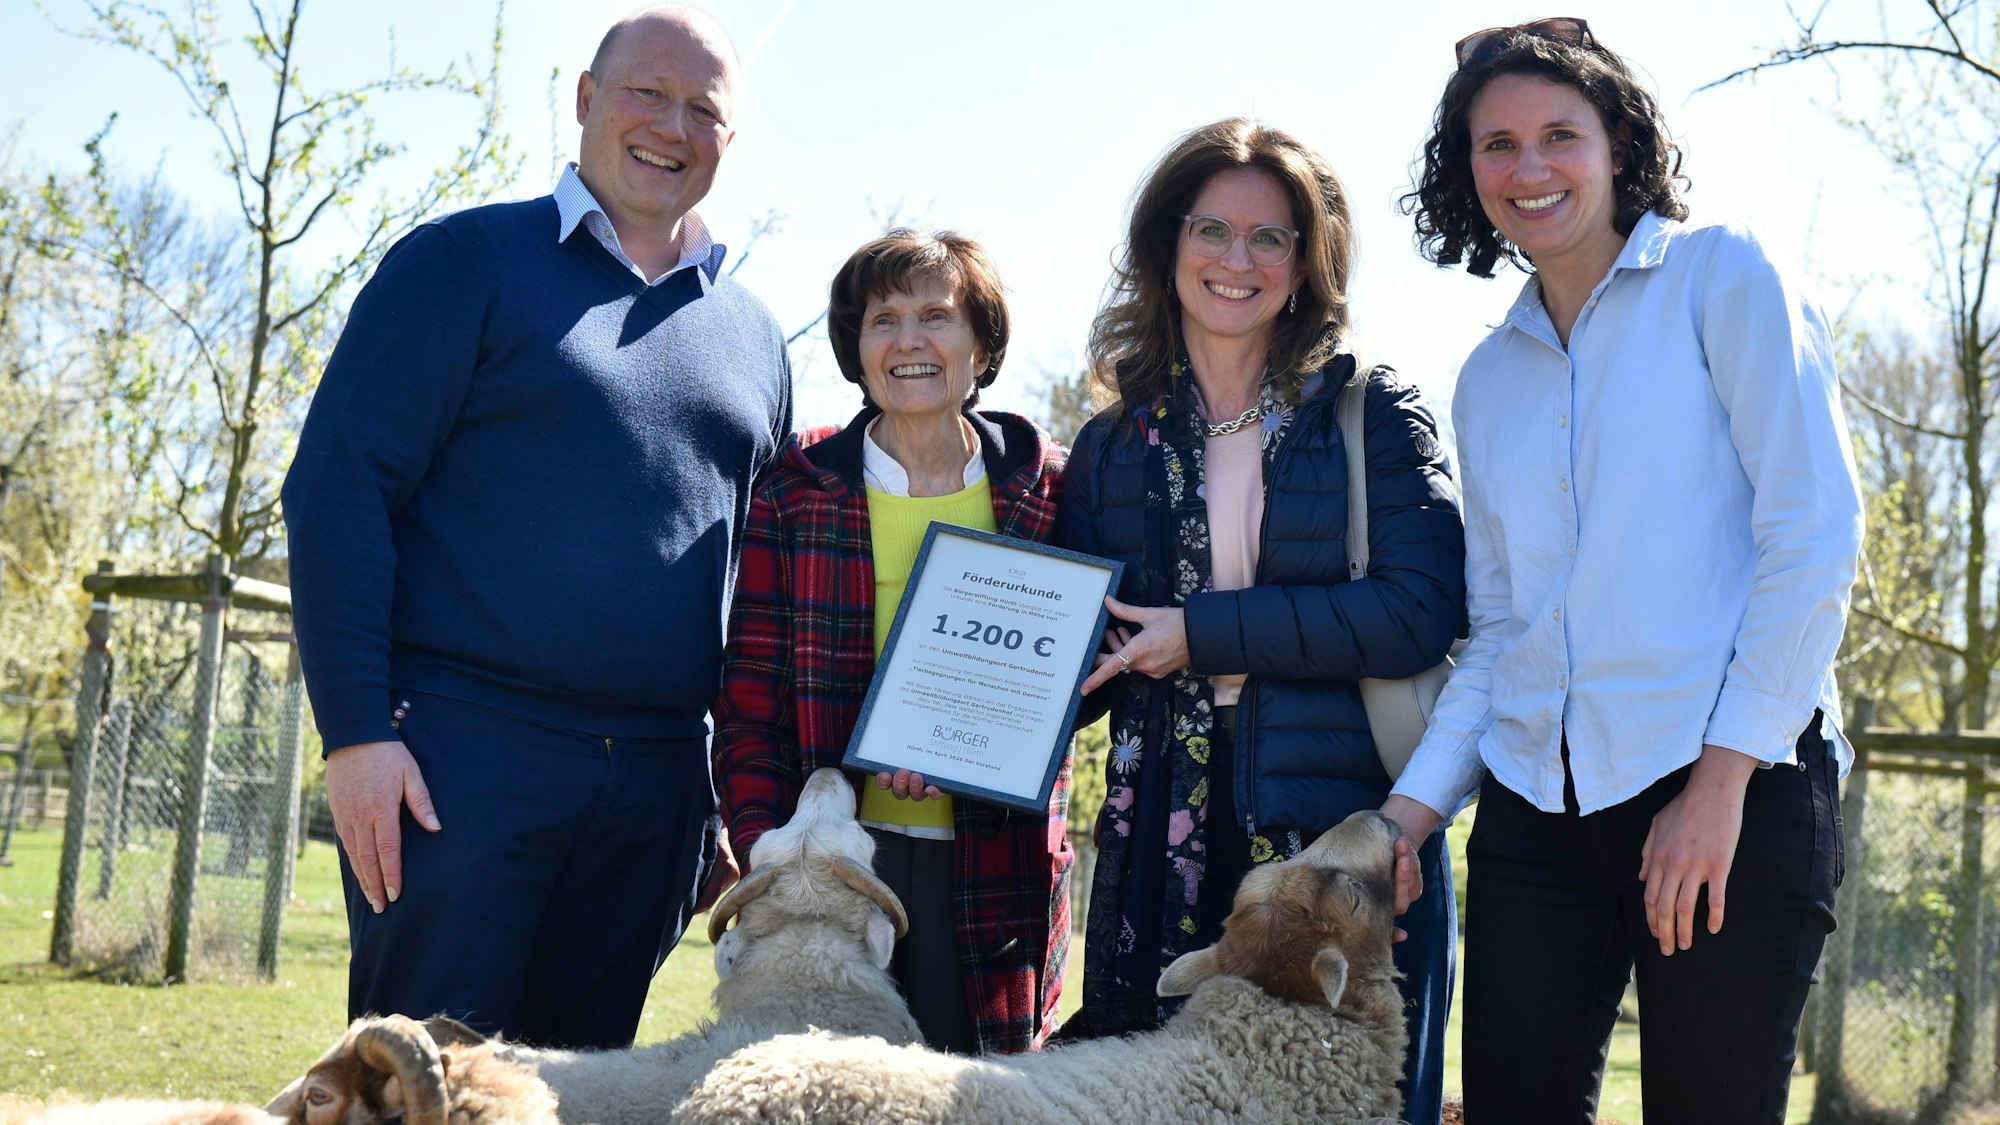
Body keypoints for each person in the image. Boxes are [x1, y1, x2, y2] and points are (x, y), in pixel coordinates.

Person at [281, 5, 790, 1049]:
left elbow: (758, 586)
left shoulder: (754, 338)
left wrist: (721, 794)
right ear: (586, 99)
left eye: (702, 110)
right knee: (425, 1088)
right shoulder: (460, 263)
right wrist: (358, 733)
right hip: (458, 762)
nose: (671, 126)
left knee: (574, 1099)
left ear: (729, 141)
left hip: (656, 791)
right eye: (646, 92)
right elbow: (337, 491)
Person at [1390, 18, 1866, 1124]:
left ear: (1618, 146)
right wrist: (1404, 821)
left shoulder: (1722, 275)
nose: (1530, 167)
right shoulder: (1486, 379)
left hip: (1730, 784)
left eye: (1560, 134)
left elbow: (1812, 535)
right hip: (1534, 807)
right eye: (1497, 144)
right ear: (1467, 173)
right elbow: (1502, 634)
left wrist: (1717, 787)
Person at [1056, 117, 1465, 1125]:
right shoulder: (1112, 445)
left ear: (1305, 262)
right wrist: (954, 725)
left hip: (1339, 842)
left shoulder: (1370, 412)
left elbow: (1419, 613)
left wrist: (1202, 634)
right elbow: (1080, 655)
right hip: (1159, 839)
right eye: (1211, 230)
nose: (1235, 261)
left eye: (1268, 237)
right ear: (1167, 245)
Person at [712, 230, 1072, 1055]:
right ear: (858, 348)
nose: (909, 340)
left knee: (970, 1094)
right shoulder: (796, 490)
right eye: (883, 319)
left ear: (981, 346)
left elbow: (1084, 673)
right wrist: (772, 855)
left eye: (936, 316)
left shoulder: (1045, 487)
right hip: (833, 878)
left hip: (992, 861)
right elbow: (749, 702)